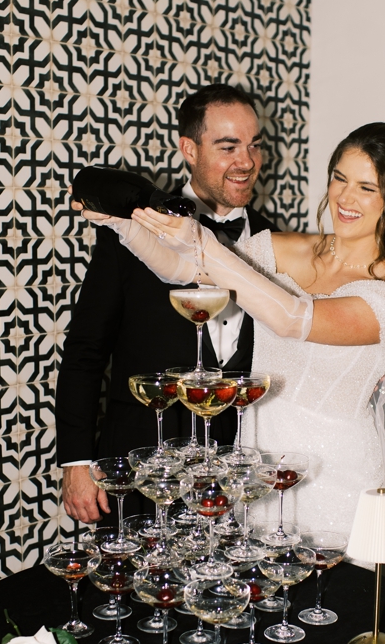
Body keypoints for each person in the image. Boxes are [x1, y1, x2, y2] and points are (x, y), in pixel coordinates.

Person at [92, 122, 385, 535]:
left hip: (336, 479)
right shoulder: (284, 247)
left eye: (367, 187)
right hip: (258, 469)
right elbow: (188, 270)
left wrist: (204, 242)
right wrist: (124, 226)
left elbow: (291, 319)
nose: (345, 197)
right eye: (340, 178)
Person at [56, 84, 275, 526]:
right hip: (141, 463)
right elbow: (85, 351)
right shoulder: (129, 231)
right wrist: (76, 463)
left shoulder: (275, 242)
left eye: (254, 145)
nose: (247, 162)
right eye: (228, 146)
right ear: (188, 149)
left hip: (232, 473)